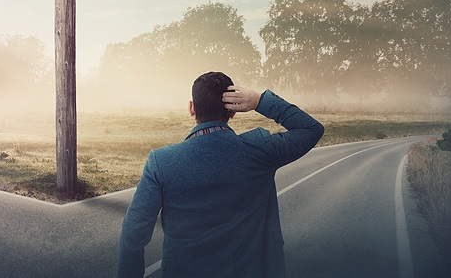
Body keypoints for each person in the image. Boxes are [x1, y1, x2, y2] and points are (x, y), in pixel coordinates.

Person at [117, 71, 324, 278]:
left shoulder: (161, 162)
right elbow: (311, 129)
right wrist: (259, 101)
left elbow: (133, 235)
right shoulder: (260, 151)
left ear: (191, 108)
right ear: (232, 112)